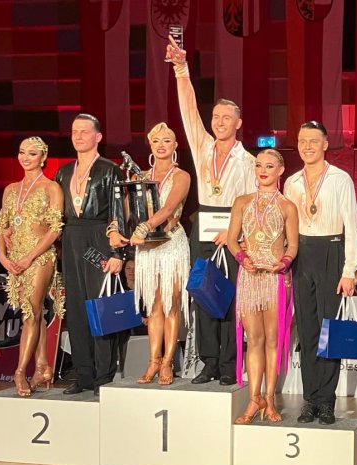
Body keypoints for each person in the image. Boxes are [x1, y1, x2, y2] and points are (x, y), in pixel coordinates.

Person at [166, 38, 256, 386]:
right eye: (216, 117)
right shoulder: (203, 147)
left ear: (238, 123)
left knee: (229, 297)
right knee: (203, 293)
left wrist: (234, 232)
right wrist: (181, 69)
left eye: (226, 118)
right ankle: (209, 362)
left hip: (232, 233)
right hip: (203, 227)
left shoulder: (248, 161)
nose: (219, 122)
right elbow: (188, 110)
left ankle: (230, 363)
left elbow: (251, 204)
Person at [284, 120, 357, 425]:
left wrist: (349, 269)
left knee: (330, 330)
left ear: (325, 144)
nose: (308, 146)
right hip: (302, 254)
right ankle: (310, 399)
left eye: (314, 141)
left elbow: (351, 224)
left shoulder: (340, 179)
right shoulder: (291, 182)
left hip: (332, 251)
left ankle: (326, 400)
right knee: (307, 330)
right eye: (303, 141)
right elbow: (286, 226)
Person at [227, 148, 299, 424]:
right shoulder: (242, 202)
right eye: (259, 165)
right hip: (249, 277)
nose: (263, 171)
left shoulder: (287, 206)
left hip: (275, 278)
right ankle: (253, 398)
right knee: (253, 339)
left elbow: (293, 245)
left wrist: (284, 263)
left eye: (269, 166)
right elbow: (232, 239)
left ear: (280, 170)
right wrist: (242, 258)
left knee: (272, 340)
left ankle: (270, 399)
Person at [56, 113, 124, 396]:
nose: (78, 136)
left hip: (98, 237)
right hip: (72, 238)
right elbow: (54, 215)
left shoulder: (110, 170)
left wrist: (117, 252)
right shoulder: (63, 172)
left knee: (100, 307)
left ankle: (103, 375)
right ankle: (83, 374)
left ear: (98, 137)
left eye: (85, 131)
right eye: (75, 131)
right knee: (76, 308)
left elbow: (119, 213)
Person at [0, 137, 64, 397]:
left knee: (30, 312)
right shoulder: (11, 189)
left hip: (40, 256)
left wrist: (30, 257)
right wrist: (2, 256)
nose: (25, 157)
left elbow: (55, 230)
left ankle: (20, 371)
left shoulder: (52, 188)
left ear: (43, 157)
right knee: (35, 314)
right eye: (22, 152)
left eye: (32, 153)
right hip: (15, 258)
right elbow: (1, 225)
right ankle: (43, 366)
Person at [127, 123, 191, 386]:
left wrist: (144, 226)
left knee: (171, 303)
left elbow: (168, 208)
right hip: (147, 247)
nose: (161, 145)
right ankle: (153, 360)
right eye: (156, 141)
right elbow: (127, 210)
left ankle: (168, 362)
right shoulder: (139, 176)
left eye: (166, 140)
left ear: (175, 146)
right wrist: (117, 227)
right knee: (154, 305)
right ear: (150, 145)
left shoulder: (181, 176)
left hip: (172, 243)